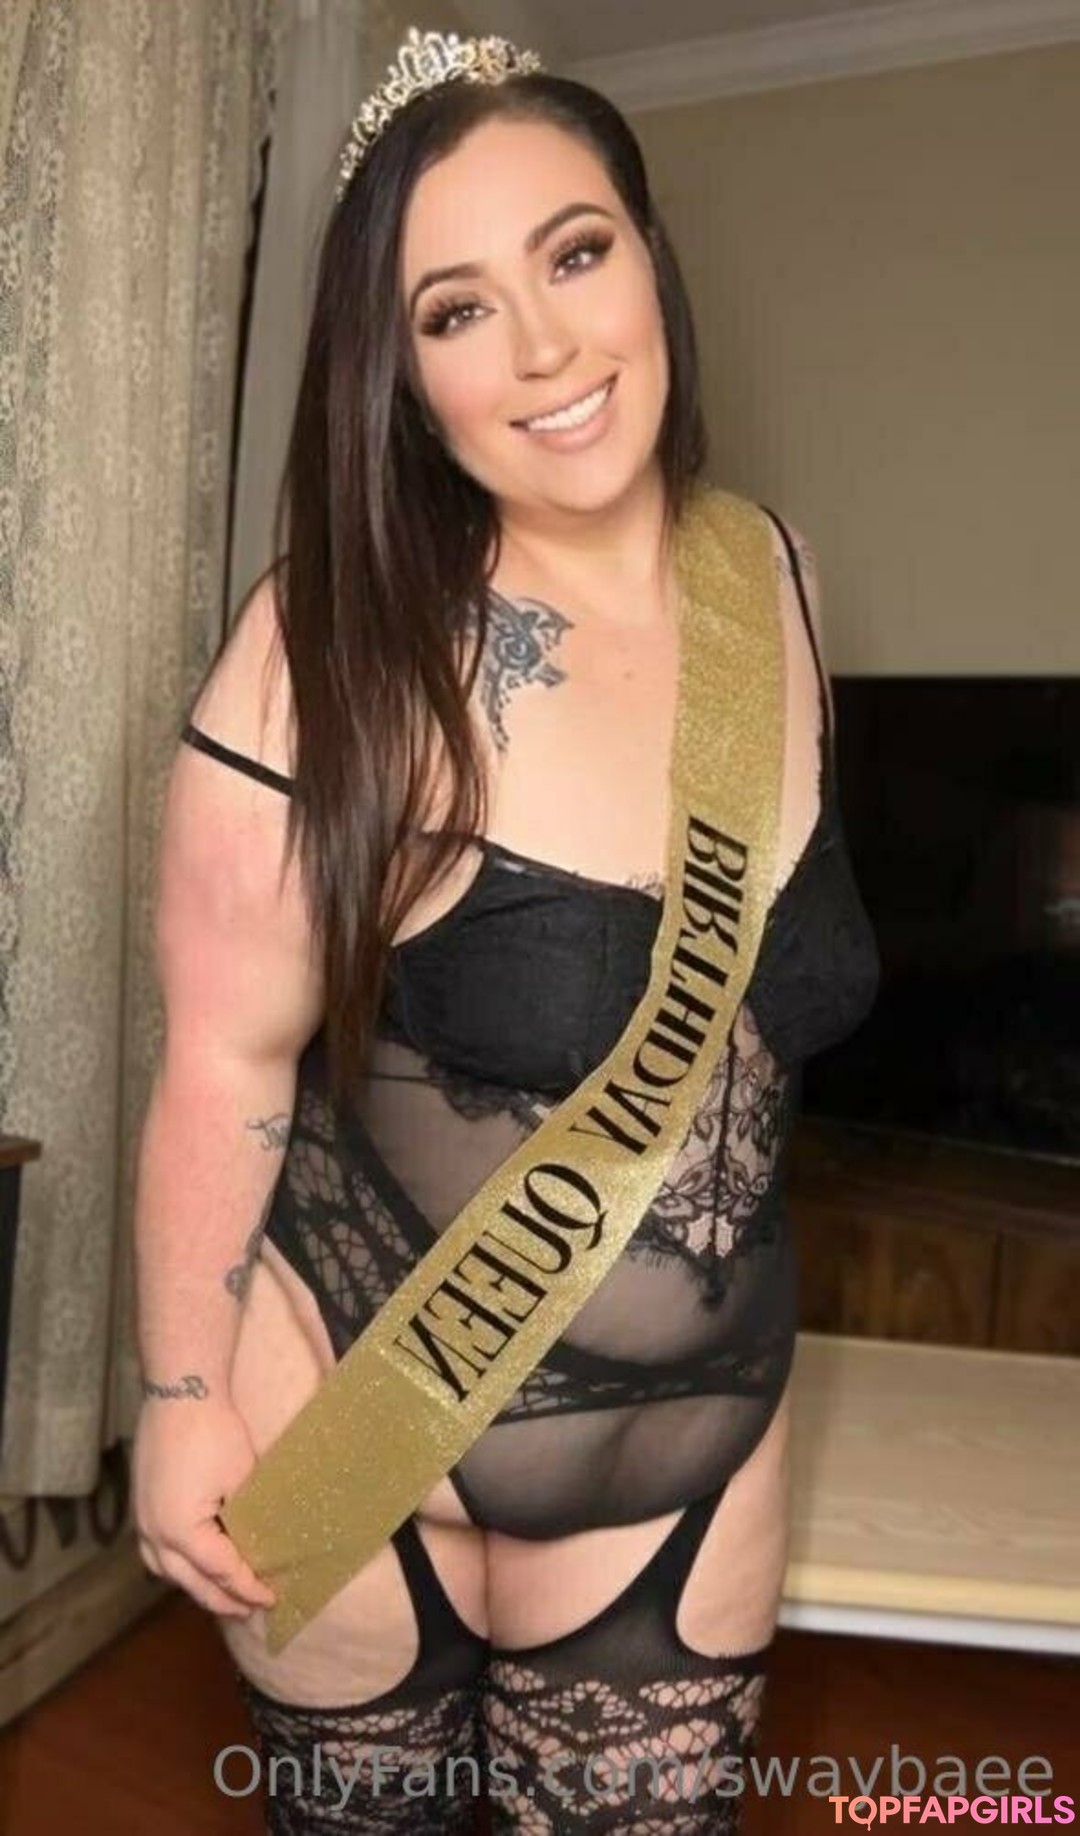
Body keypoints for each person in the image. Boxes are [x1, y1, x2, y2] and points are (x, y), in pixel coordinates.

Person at [132, 28, 881, 1835]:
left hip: (691, 1448)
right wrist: (176, 1397)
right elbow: (225, 1057)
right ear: (402, 377)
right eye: (457, 310)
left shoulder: (773, 578)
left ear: (647, 260)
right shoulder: (330, 645)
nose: (544, 347)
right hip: (361, 1422)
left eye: (575, 253)